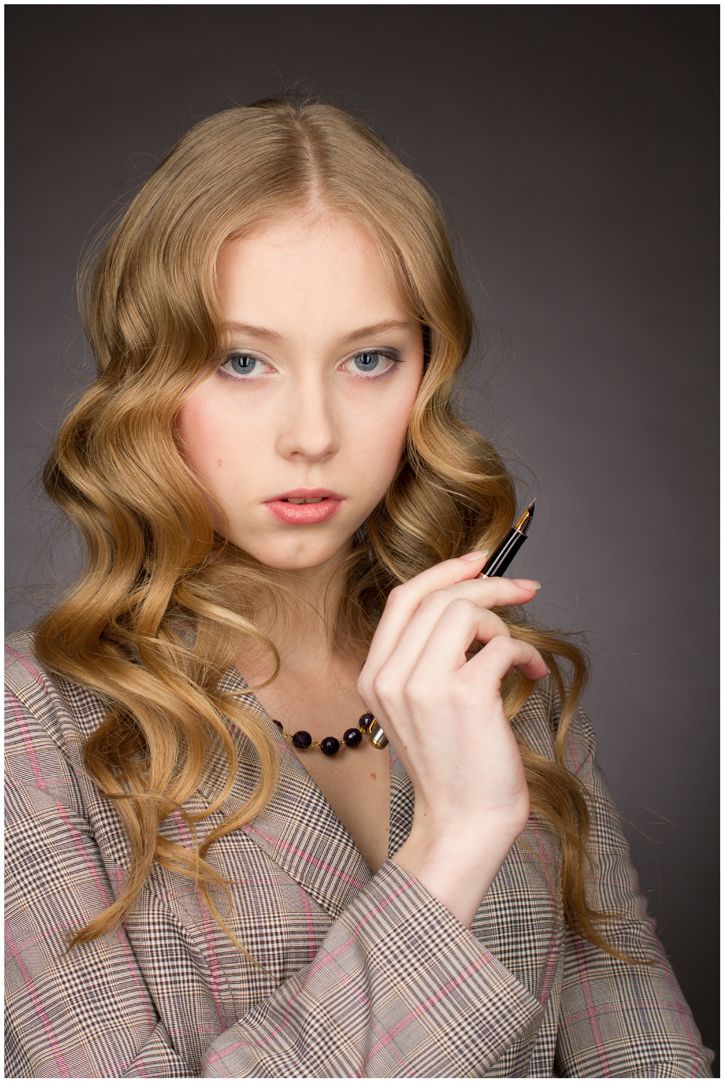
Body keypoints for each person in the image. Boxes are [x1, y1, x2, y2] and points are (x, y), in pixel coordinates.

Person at [5, 94, 713, 1079]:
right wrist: (452, 848)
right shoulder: (31, 723)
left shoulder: (502, 688)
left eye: (369, 358)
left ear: (426, 373)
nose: (313, 433)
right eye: (241, 360)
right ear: (148, 378)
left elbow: (647, 1057)